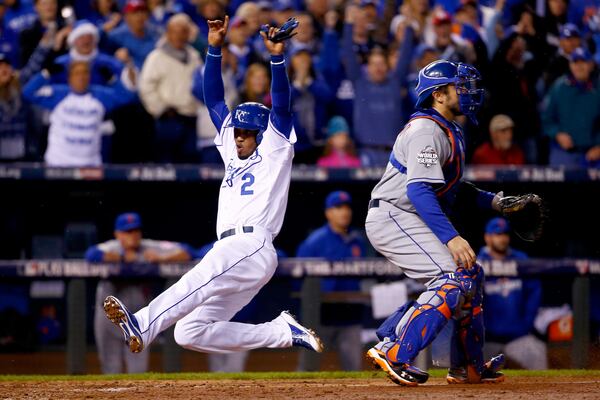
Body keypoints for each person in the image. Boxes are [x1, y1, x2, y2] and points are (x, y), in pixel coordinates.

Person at [102, 16, 324, 361]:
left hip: (252, 243)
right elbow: (214, 100)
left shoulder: (275, 147)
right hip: (238, 251)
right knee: (189, 331)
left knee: (201, 273)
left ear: (262, 134)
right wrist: (213, 47)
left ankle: (143, 323)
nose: (238, 137)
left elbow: (281, 104)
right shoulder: (233, 151)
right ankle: (281, 332)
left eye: (245, 133)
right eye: (237, 132)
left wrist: (277, 59)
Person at [364, 60, 508, 386]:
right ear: (439, 94)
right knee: (452, 278)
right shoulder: (426, 130)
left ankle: (466, 367)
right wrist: (451, 238)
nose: (468, 91)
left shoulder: (447, 128)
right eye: (459, 85)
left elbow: (453, 188)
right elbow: (418, 191)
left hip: (406, 214)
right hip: (394, 214)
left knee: (470, 274)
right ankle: (393, 349)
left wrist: (495, 201)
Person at [85, 212, 193, 374]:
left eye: (136, 230)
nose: (133, 235)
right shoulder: (111, 247)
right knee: (110, 367)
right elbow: (91, 254)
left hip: (137, 317)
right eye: (128, 231)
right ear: (118, 234)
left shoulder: (148, 247)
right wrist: (120, 257)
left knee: (138, 369)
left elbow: (187, 250)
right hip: (107, 317)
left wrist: (163, 259)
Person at [296, 191, 367, 371]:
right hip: (321, 317)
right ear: (328, 212)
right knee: (308, 369)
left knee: (353, 370)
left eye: (347, 207)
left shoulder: (357, 240)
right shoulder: (315, 242)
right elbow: (297, 278)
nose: (344, 212)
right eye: (338, 207)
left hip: (350, 316)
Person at [22, 61, 136, 166]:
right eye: (77, 73)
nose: (81, 77)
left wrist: (112, 80)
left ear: (89, 77)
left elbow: (126, 97)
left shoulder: (100, 95)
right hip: (58, 163)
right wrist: (45, 74)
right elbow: (28, 92)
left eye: (85, 73)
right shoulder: (58, 94)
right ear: (69, 77)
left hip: (90, 164)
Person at [478, 217, 547, 370]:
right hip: (487, 339)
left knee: (538, 352)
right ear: (487, 237)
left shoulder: (521, 259)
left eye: (505, 234)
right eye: (498, 234)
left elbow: (534, 294)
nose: (503, 238)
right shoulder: (478, 263)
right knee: (472, 372)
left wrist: (526, 325)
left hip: (519, 336)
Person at [138, 13, 202, 163]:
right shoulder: (156, 57)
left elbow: (200, 84)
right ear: (167, 33)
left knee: (189, 165)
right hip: (168, 119)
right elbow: (146, 87)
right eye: (175, 32)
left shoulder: (194, 56)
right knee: (166, 165)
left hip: (191, 117)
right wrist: (161, 109)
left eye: (183, 32)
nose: (179, 36)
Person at [542, 47, 600, 168]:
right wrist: (557, 134)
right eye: (575, 62)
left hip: (594, 153)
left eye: (583, 62)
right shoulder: (558, 87)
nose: (579, 66)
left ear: (591, 64)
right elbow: (546, 119)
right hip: (563, 151)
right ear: (570, 65)